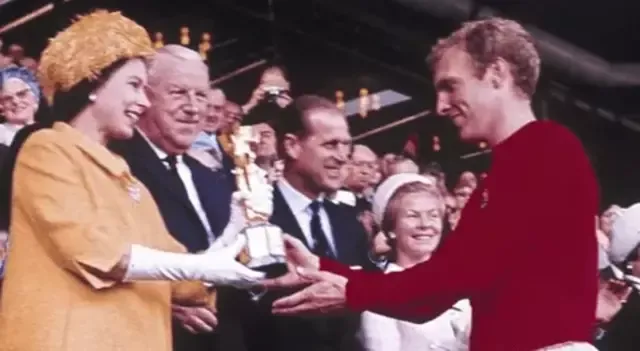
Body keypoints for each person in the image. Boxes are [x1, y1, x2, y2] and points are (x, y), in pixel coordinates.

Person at [264, 18, 599, 351]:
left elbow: (441, 285)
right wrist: (321, 268)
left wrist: (350, 291)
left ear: (496, 74)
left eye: (450, 86)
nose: (440, 105)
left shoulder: (546, 150)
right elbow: (445, 274)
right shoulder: (517, 162)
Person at [0, 11, 266, 351]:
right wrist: (205, 264)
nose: (143, 101)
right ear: (94, 82)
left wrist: (235, 228)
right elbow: (95, 251)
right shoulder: (47, 150)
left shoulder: (127, 180)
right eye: (134, 85)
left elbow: (183, 280)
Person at [358, 174, 471, 351]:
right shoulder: (378, 294)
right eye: (413, 216)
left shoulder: (458, 281)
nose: (425, 224)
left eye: (433, 216)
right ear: (391, 229)